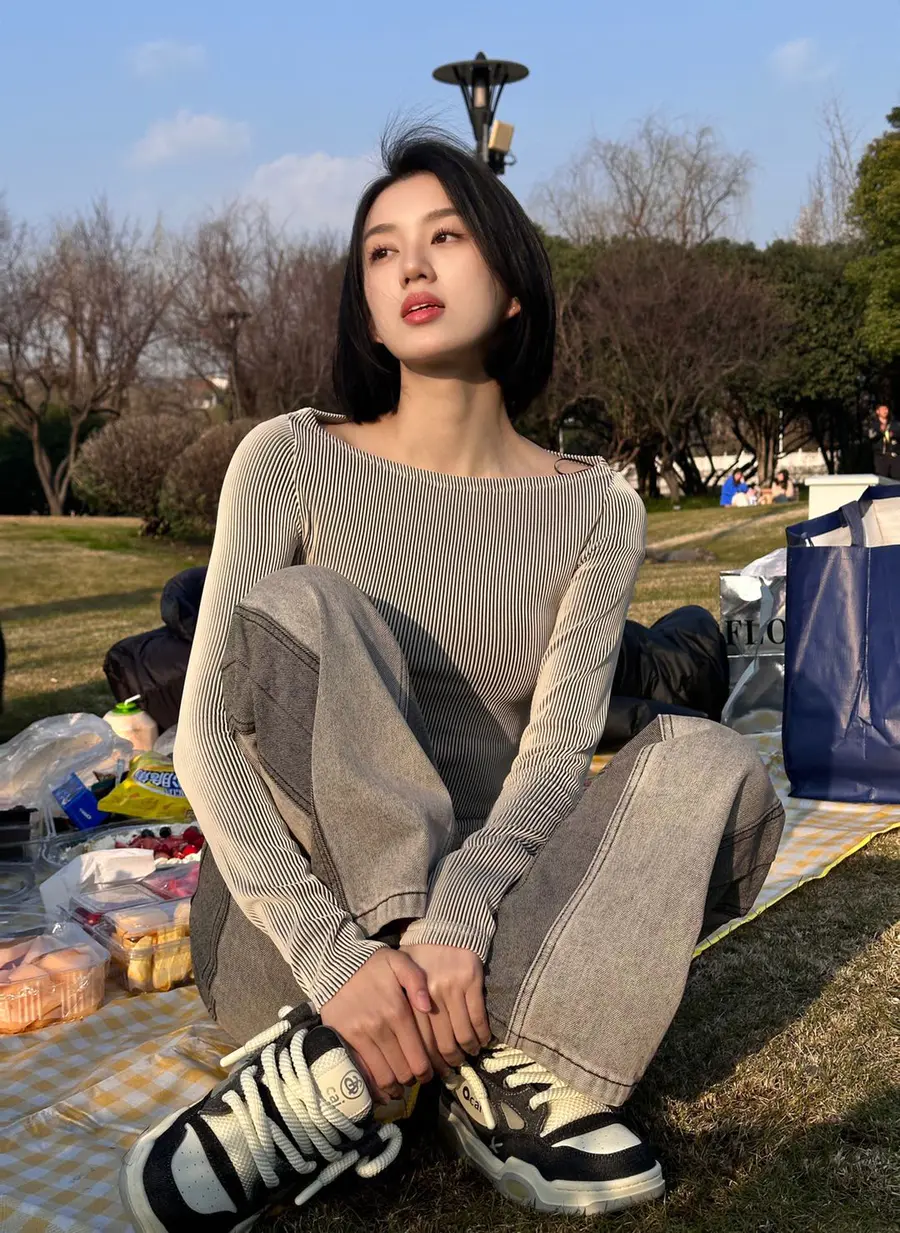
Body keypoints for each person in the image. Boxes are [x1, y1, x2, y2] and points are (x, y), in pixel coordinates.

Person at [119, 126, 785, 1232]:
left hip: (484, 934)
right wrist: (340, 955)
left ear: (514, 284)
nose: (411, 267)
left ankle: (387, 1076)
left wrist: (458, 917)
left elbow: (553, 762)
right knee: (306, 607)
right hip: (295, 935)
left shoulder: (596, 507)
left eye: (445, 237)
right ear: (366, 306)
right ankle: (455, 1050)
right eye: (381, 252)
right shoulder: (289, 459)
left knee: (713, 762)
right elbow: (203, 740)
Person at [868, 404, 900, 480]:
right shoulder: (874, 424)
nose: (885, 411)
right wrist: (880, 431)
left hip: (894, 455)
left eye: (886, 409)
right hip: (881, 456)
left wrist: (893, 434)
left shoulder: (894, 423)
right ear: (877, 411)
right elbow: (871, 436)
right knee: (882, 478)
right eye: (883, 409)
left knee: (897, 478)